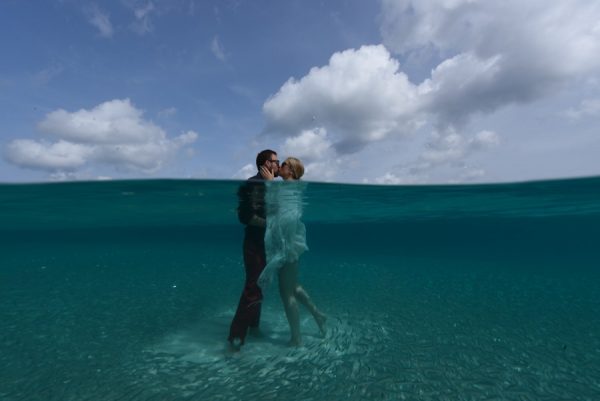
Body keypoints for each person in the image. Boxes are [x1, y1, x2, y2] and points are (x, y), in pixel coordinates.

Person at [258, 157, 326, 346]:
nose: (280, 166)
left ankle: (297, 339)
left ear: (292, 171)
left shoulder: (288, 188)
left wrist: (270, 185)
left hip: (287, 245)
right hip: (289, 244)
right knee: (293, 286)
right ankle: (318, 315)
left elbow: (283, 218)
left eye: (285, 164)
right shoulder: (292, 188)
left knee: (286, 292)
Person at [228, 149, 280, 348]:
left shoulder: (269, 185)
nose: (278, 165)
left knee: (260, 285)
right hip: (255, 244)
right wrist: (271, 224)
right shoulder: (252, 184)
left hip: (266, 244)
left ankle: (254, 327)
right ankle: (235, 339)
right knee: (252, 289)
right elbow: (245, 218)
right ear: (266, 164)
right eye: (276, 161)